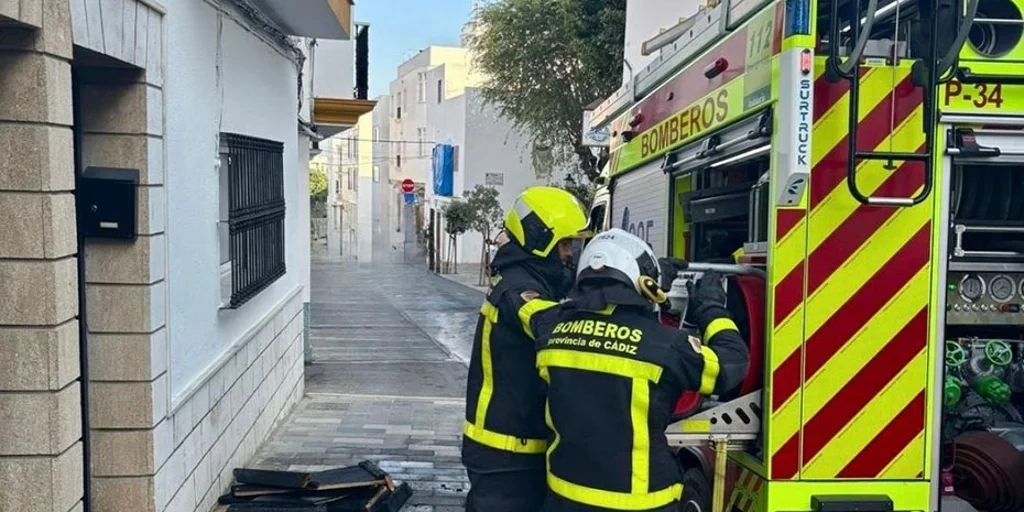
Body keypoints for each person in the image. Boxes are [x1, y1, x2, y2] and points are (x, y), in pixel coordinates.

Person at [535, 228, 750, 512]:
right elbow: (732, 365)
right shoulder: (665, 345)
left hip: (564, 496)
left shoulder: (551, 329)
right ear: (642, 281)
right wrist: (712, 310)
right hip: (640, 501)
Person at [462, 186, 588, 512]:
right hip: (506, 454)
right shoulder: (519, 290)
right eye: (564, 243)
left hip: (510, 446)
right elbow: (551, 325)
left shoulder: (527, 278)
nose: (570, 253)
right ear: (539, 239)